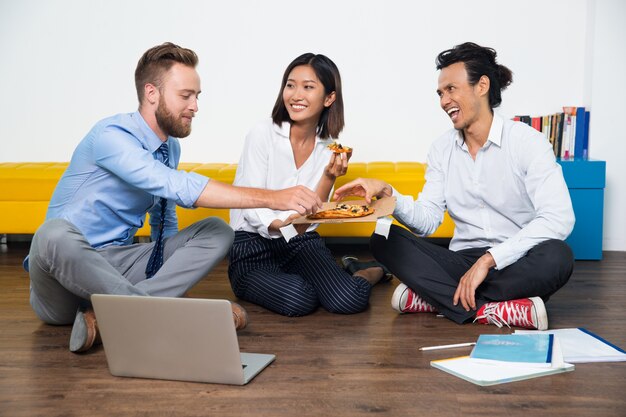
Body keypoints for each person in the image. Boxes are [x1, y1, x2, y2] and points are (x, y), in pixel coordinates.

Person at [26, 42, 323, 353]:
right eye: (186, 96)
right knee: (53, 234)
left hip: (119, 265)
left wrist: (168, 276)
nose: (195, 106)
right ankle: (156, 312)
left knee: (217, 230)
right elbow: (174, 185)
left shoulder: (170, 149)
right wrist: (273, 198)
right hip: (64, 274)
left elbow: (163, 216)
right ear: (152, 93)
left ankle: (116, 317)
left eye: (197, 96)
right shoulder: (111, 136)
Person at [334, 42, 575, 330]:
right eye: (440, 93)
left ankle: (434, 298)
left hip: (516, 257)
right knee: (383, 238)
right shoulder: (441, 149)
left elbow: (559, 217)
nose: (444, 100)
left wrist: (489, 260)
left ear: (481, 86)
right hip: (460, 263)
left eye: (451, 89)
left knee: (558, 257)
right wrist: (389, 194)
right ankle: (499, 309)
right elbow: (428, 221)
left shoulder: (527, 142)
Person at [227, 53, 391, 317]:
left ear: (329, 98)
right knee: (299, 298)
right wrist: (279, 224)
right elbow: (249, 200)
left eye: (308, 87)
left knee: (348, 299)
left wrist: (329, 176)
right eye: (290, 85)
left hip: (298, 240)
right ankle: (301, 280)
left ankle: (366, 271)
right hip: (252, 245)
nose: (295, 95)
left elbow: (310, 218)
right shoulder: (262, 133)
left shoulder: (330, 148)